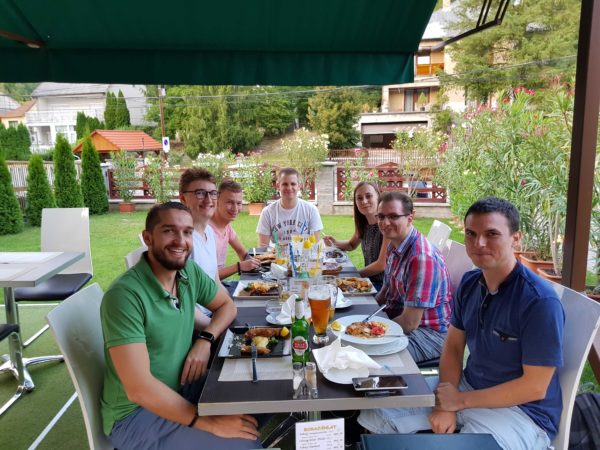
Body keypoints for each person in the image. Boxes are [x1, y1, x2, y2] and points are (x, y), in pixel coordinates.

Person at [359, 197, 564, 450]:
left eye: (492, 234)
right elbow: (453, 348)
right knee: (377, 407)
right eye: (471, 233)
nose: (479, 243)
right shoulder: (470, 283)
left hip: (520, 414)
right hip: (467, 388)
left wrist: (457, 402)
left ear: (516, 238)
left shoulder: (538, 301)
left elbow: (535, 387)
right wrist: (448, 397)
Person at [101, 202, 261, 449]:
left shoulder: (187, 272)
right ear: (148, 238)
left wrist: (204, 341)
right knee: (245, 444)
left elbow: (227, 306)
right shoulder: (125, 296)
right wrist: (209, 423)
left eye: (187, 232)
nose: (180, 240)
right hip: (135, 415)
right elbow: (139, 389)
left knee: (256, 391)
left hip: (183, 387)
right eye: (169, 231)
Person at [375, 191, 452, 363]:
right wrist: (366, 313)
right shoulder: (394, 245)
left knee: (367, 355)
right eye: (381, 216)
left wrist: (370, 332)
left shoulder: (421, 258)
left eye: (393, 216)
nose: (385, 223)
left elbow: (410, 323)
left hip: (429, 335)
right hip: (398, 320)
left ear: (410, 217)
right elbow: (386, 292)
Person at [323, 181, 389, 291]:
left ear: (378, 196)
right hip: (368, 281)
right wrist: (335, 242)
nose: (364, 201)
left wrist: (353, 275)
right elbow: (351, 244)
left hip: (383, 287)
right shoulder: (364, 223)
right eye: (359, 198)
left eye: (369, 196)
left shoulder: (386, 225)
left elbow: (381, 265)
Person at [256, 168, 323, 247]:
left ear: (299, 186)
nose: (289, 188)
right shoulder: (267, 212)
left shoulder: (311, 210)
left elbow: (316, 245)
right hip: (277, 257)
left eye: (293, 184)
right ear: (278, 186)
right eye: (285, 184)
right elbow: (263, 247)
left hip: (303, 257)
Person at [210, 180, 260, 280]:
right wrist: (239, 267)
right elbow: (207, 277)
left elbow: (243, 253)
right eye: (229, 202)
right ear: (217, 201)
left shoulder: (227, 227)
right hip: (207, 291)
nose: (235, 208)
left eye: (239, 203)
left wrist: (258, 262)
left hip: (217, 286)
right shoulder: (206, 231)